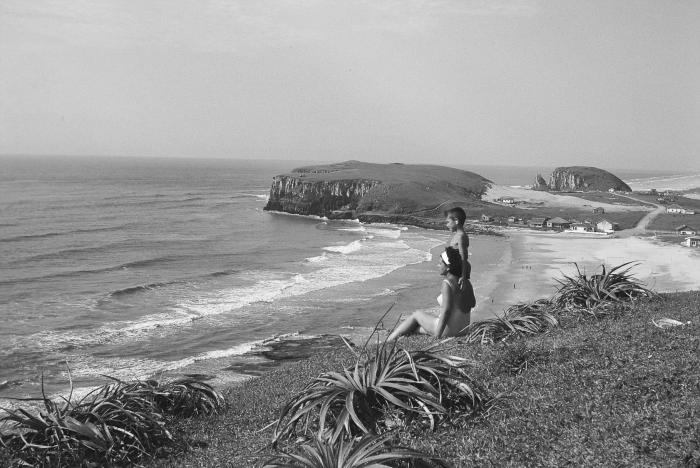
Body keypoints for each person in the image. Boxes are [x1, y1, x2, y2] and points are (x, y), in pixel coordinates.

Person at [387, 247, 471, 340]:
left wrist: (437, 336)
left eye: (440, 263)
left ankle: (390, 340)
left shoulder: (447, 283)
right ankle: (401, 335)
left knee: (417, 314)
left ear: (448, 267)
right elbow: (472, 303)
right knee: (417, 328)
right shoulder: (465, 283)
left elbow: (446, 311)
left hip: (449, 331)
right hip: (463, 330)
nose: (438, 266)